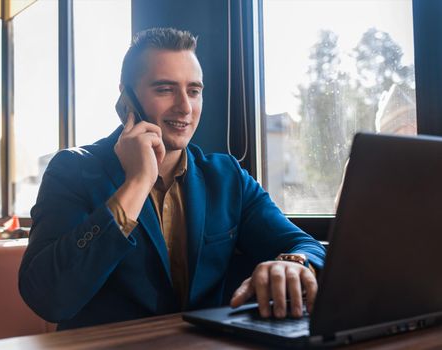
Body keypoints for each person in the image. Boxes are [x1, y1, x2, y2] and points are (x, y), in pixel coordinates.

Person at [19, 27, 326, 330]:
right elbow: (49, 298)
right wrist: (136, 184)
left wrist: (293, 263)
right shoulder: (73, 170)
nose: (185, 107)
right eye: (165, 89)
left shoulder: (226, 176)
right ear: (127, 99)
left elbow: (305, 244)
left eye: (194, 91)